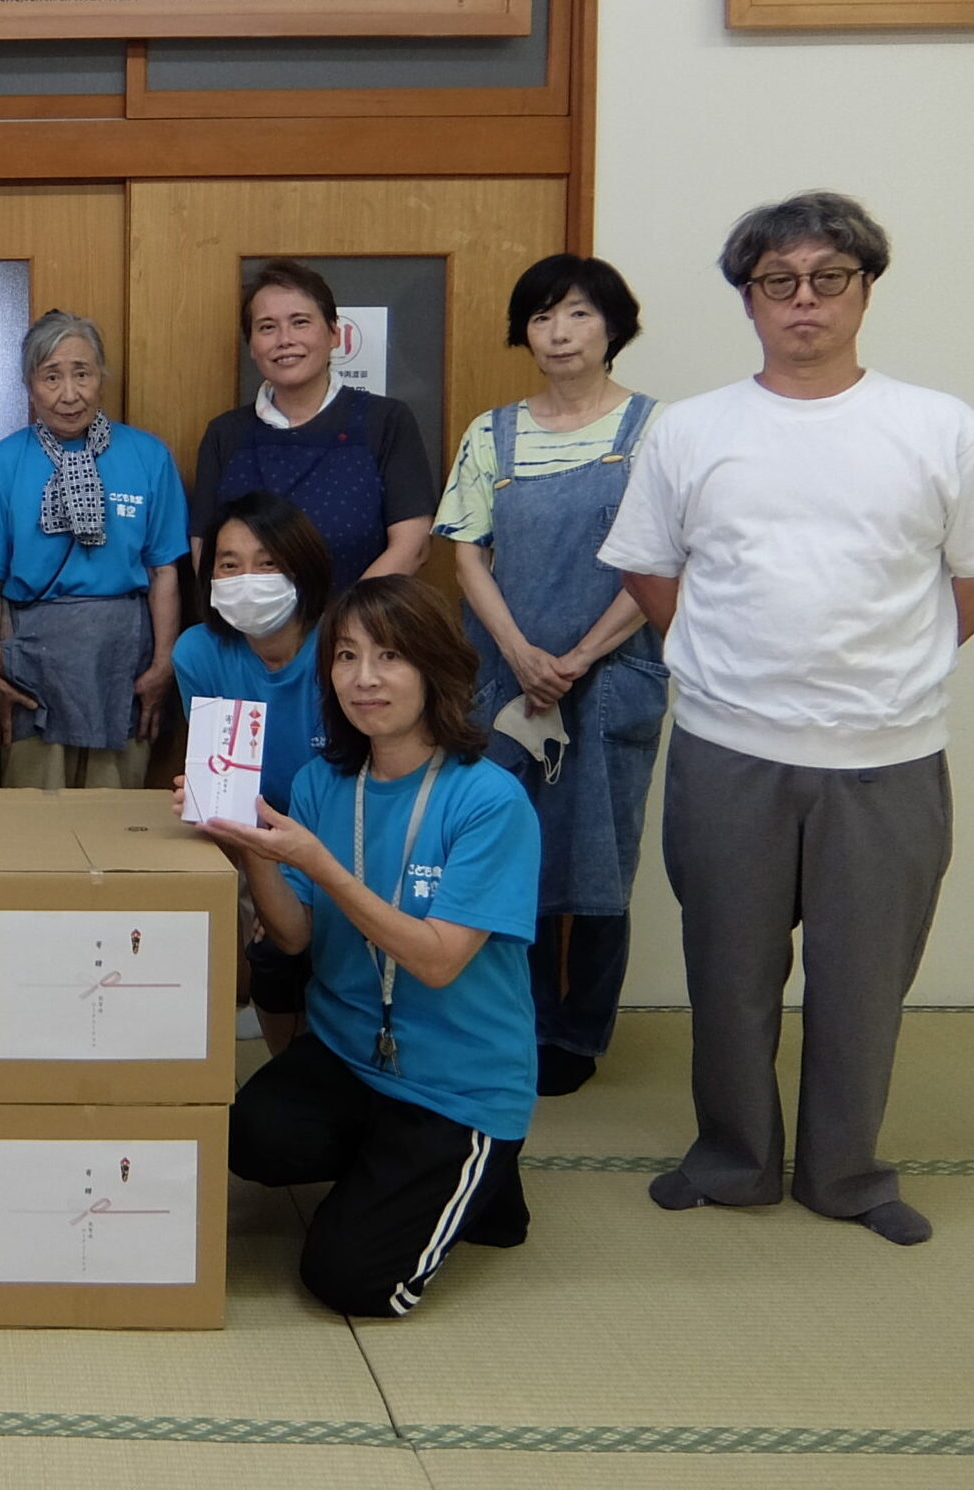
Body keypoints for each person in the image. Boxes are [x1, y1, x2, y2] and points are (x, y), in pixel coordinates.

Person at [599, 191, 974, 1246]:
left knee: (863, 981)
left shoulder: (937, 425)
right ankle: (732, 1159)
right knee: (729, 972)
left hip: (887, 753)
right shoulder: (693, 430)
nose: (803, 301)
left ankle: (846, 1173)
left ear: (864, 289)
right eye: (777, 282)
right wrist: (728, 665)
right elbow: (652, 574)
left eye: (826, 279)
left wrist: (894, 663)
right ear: (747, 300)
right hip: (726, 747)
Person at [189, 576, 539, 1318]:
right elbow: (295, 935)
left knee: (348, 1282)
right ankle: (412, 1177)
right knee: (250, 1140)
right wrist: (251, 845)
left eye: (389, 656)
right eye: (345, 656)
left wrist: (317, 862)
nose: (364, 678)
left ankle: (477, 1172)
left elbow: (438, 960)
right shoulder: (324, 781)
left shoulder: (488, 799)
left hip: (455, 1081)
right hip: (351, 1053)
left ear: (435, 667)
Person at [435, 254, 666, 1097]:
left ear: (612, 325)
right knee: (505, 852)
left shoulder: (653, 431)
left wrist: (578, 658)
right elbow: (465, 554)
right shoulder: (491, 432)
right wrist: (524, 655)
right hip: (508, 679)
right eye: (540, 317)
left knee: (600, 860)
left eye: (576, 315)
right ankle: (517, 1023)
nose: (558, 334)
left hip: (613, 678)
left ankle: (578, 1035)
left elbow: (664, 562)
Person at [0, 309, 187, 790]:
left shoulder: (147, 457)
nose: (68, 394)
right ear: (29, 385)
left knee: (116, 818)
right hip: (30, 661)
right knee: (35, 824)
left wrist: (163, 662)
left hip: (122, 658)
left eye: (81, 373)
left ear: (101, 376)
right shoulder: (0, 465)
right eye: (51, 376)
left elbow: (164, 570)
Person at [169, 490, 333, 1051]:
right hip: (261, 836)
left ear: (302, 566)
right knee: (270, 948)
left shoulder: (343, 647)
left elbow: (367, 786)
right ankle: (289, 1065)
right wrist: (273, 890)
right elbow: (227, 786)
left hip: (345, 833)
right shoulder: (198, 653)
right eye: (229, 564)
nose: (248, 579)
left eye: (268, 563)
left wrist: (300, 884)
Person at [190, 260, 434, 586]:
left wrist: (340, 629)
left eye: (300, 322)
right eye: (266, 327)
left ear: (335, 333)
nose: (284, 339)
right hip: (250, 633)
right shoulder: (225, 434)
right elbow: (205, 553)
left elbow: (412, 546)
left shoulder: (386, 421)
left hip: (358, 630)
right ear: (251, 346)